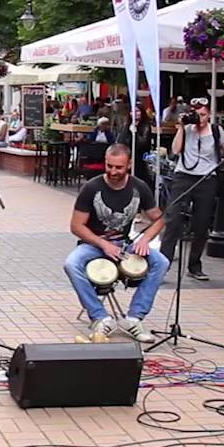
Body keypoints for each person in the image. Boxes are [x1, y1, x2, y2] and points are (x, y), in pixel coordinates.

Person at [63, 144, 168, 342]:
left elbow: (160, 218)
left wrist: (145, 239)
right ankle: (100, 317)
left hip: (125, 244)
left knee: (161, 262)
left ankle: (134, 318)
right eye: (109, 166)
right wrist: (103, 244)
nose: (113, 171)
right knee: (71, 264)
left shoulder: (139, 187)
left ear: (129, 164)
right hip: (94, 244)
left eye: (118, 167)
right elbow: (76, 226)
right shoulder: (91, 188)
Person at [160, 96, 224, 281]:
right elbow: (175, 150)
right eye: (197, 114)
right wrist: (181, 127)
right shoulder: (188, 128)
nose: (200, 118)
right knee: (173, 221)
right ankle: (162, 265)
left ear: (210, 115)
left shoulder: (216, 131)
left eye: (204, 115)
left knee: (201, 224)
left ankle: (195, 264)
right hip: (183, 176)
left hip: (207, 179)